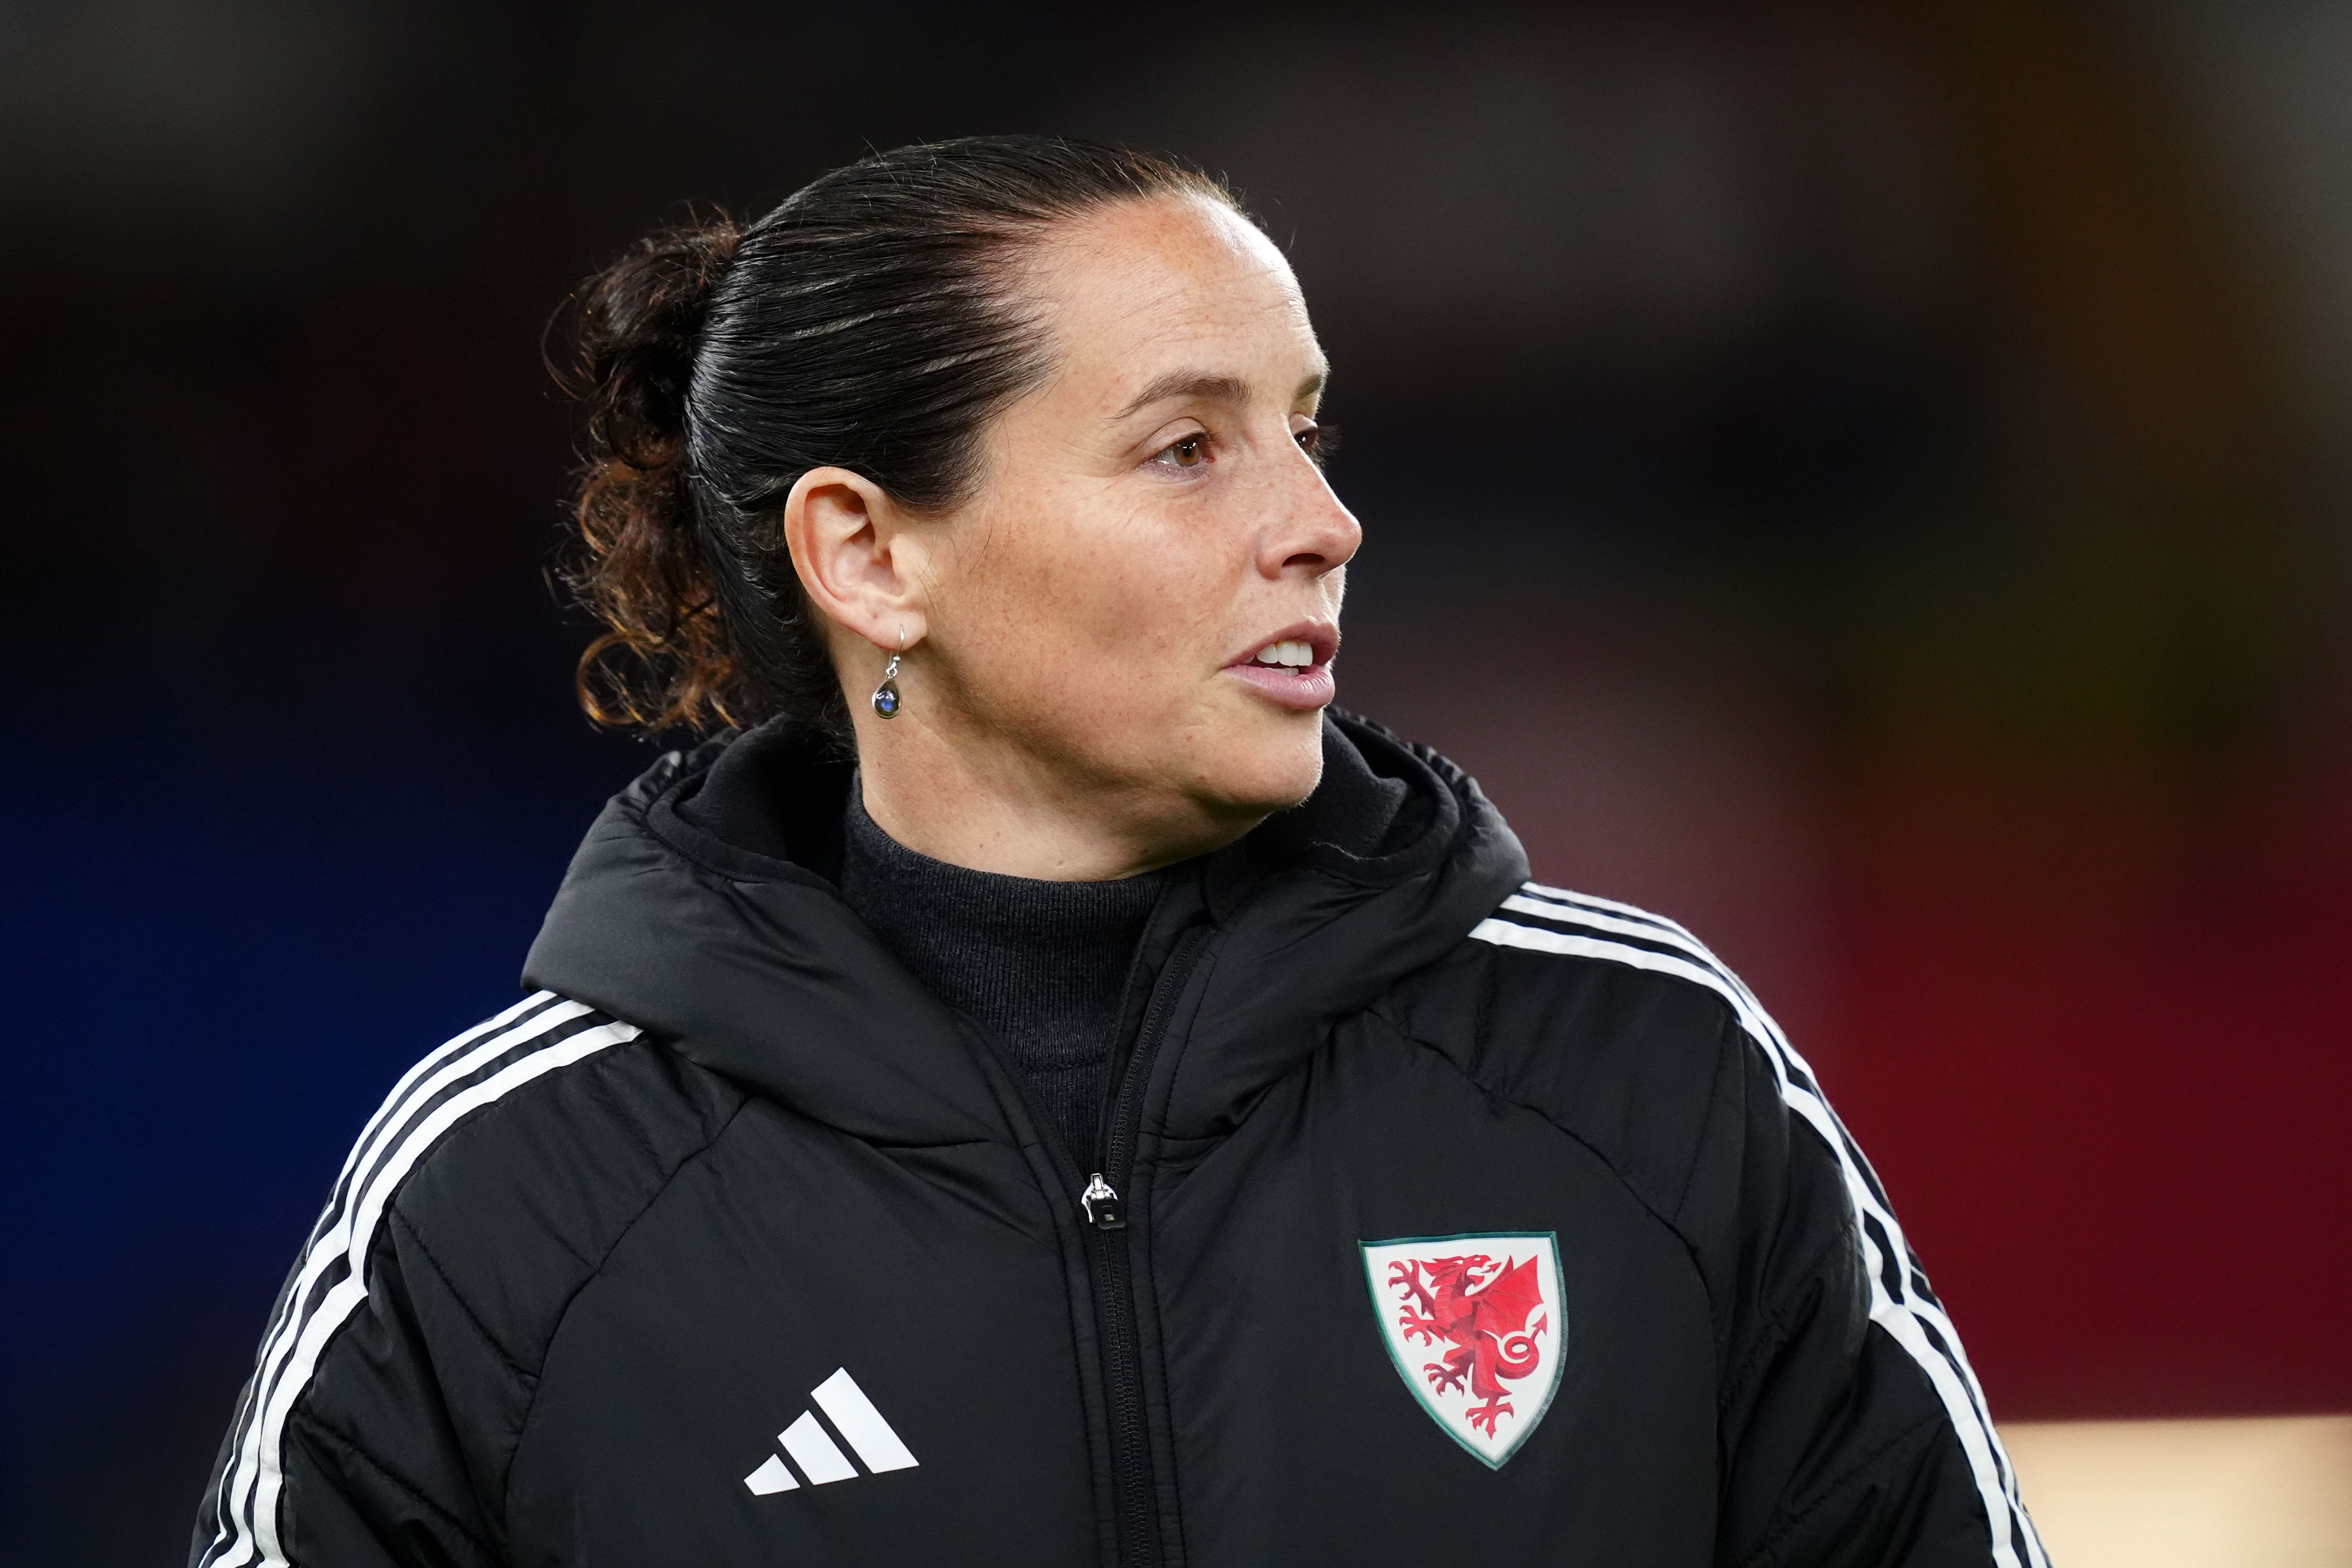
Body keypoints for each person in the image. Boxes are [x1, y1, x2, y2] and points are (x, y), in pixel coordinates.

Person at [189, 136, 2047, 1568]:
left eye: (1306, 431)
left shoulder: (1648, 1079)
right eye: (1188, 448)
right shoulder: (517, 1195)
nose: (1323, 523)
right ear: (869, 555)